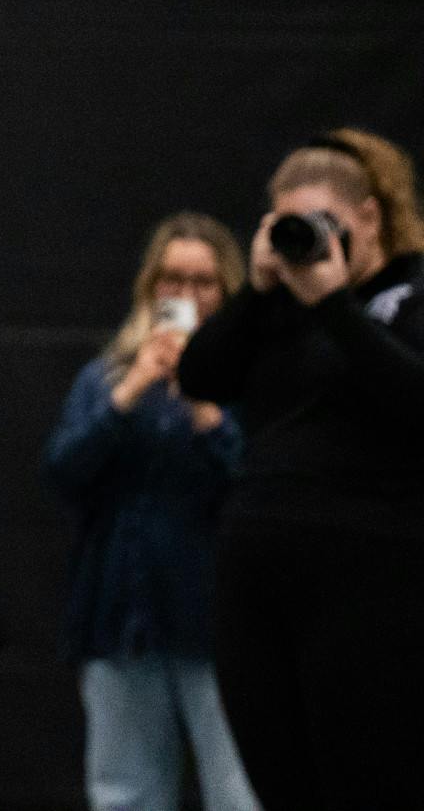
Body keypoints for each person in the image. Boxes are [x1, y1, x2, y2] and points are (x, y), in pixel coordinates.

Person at [177, 128, 424, 810]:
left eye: (324, 222)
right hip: (258, 566)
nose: (310, 241)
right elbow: (200, 375)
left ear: (370, 216)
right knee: (279, 777)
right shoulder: (277, 309)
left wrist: (335, 305)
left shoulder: (409, 294)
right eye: (292, 224)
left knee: (368, 776)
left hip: (373, 571)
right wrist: (256, 294)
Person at [42, 213, 258, 811]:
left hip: (222, 621)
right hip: (123, 618)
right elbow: (61, 474)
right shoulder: (108, 376)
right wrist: (128, 394)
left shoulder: (253, 380)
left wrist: (207, 410)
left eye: (202, 282)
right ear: (150, 287)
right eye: (172, 280)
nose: (185, 296)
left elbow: (259, 488)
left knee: (238, 793)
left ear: (226, 291)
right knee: (124, 794)